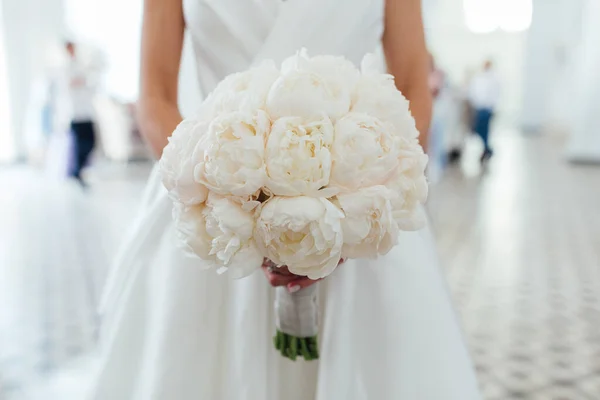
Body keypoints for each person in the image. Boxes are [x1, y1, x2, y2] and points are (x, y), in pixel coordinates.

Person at [51, 0, 481, 398]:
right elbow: (154, 98)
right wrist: (236, 206)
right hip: (216, 206)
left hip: (359, 205)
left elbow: (412, 85)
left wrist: (348, 209)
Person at [64, 41, 97, 186]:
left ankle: (77, 171)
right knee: (79, 145)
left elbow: (89, 82)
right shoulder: (66, 67)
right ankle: (77, 172)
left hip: (87, 112)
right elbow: (70, 84)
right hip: (75, 114)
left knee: (91, 143)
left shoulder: (80, 64)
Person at [468, 59, 500, 162]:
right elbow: (474, 91)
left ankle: (486, 149)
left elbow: (495, 94)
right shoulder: (479, 77)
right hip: (479, 107)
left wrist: (493, 107)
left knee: (484, 130)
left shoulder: (494, 78)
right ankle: (487, 148)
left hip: (488, 108)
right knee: (478, 129)